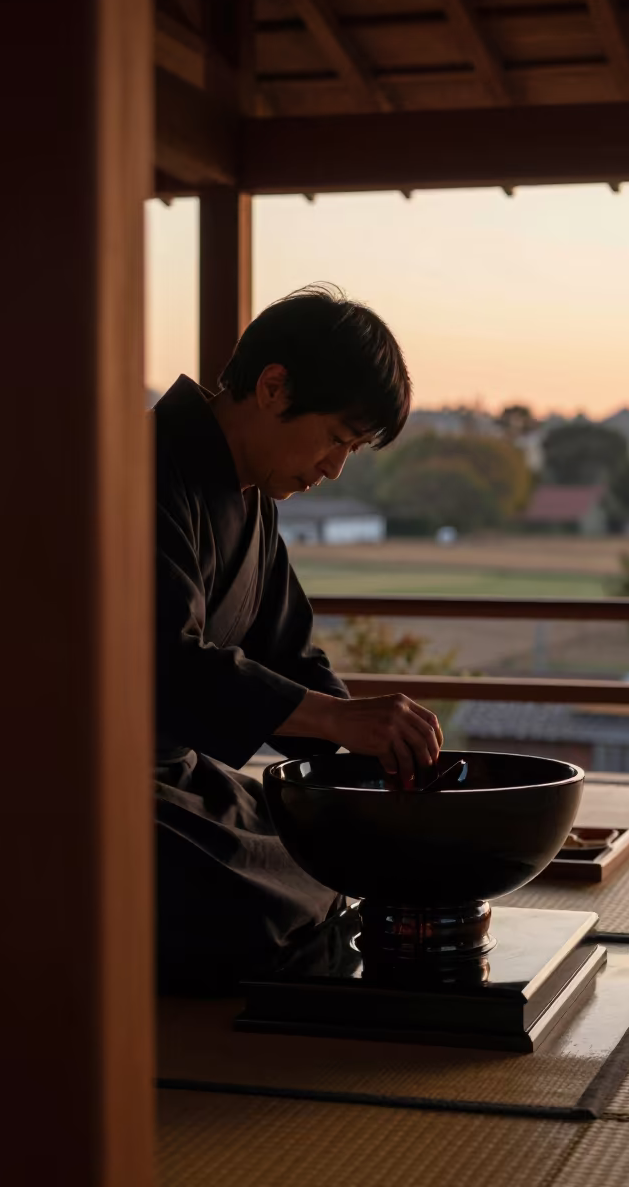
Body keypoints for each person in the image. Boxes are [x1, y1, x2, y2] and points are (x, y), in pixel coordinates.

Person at [154, 284, 443, 994]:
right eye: (337, 438)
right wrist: (338, 720)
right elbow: (160, 662)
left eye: (353, 449)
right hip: (70, 780)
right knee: (246, 905)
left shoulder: (251, 496)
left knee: (327, 848)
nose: (335, 467)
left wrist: (366, 753)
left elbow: (290, 653)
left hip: (173, 776)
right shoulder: (141, 471)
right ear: (274, 388)